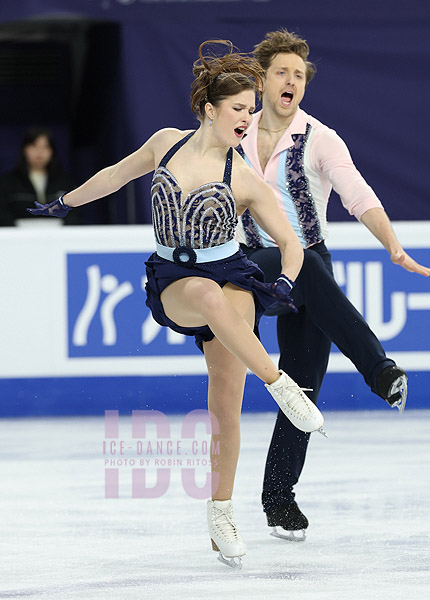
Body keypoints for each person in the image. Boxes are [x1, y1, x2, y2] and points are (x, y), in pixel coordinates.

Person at [27, 39, 327, 568]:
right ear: (209, 110)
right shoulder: (165, 144)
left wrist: (283, 282)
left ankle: (220, 513)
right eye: (239, 108)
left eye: (252, 110)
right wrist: (65, 201)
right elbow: (115, 175)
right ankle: (281, 386)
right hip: (176, 278)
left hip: (234, 274)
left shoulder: (245, 177)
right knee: (207, 297)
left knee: (224, 407)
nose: (248, 118)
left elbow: (292, 242)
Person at [236, 29, 430, 541]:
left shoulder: (320, 138)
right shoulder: (234, 131)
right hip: (253, 265)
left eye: (300, 75)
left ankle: (279, 500)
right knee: (300, 262)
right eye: (282, 72)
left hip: (308, 266)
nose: (292, 82)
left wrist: (392, 245)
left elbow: (357, 193)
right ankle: (378, 369)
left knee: (303, 389)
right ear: (261, 80)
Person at [0, 127, 78, 226]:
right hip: (18, 236)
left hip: (59, 235)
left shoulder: (66, 182)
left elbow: (75, 213)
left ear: (52, 151)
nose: (39, 152)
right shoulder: (8, 182)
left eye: (45, 146)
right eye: (34, 146)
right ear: (25, 149)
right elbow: (3, 213)